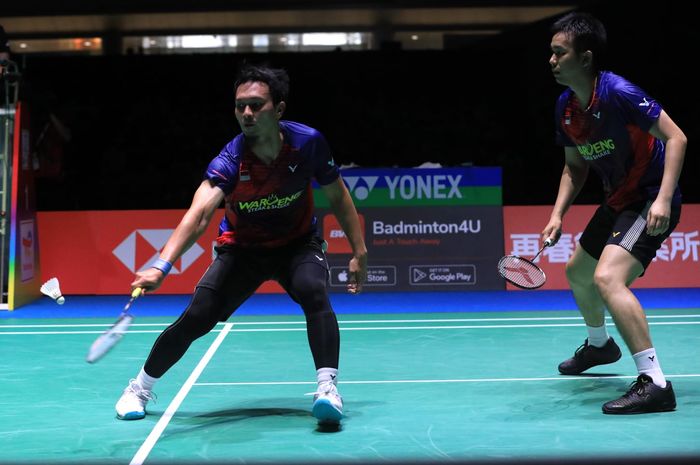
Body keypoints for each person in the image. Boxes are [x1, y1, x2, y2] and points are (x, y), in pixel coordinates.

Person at [115, 63, 368, 425]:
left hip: (296, 244)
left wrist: (359, 251)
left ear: (278, 109)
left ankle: (328, 389)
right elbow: (200, 213)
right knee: (198, 317)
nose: (246, 113)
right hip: (242, 250)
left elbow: (338, 195)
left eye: (256, 105)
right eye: (239, 106)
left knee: (314, 291)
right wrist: (162, 264)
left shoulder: (307, 143)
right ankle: (138, 388)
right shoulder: (232, 159)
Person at [542, 12, 686, 414]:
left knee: (608, 277)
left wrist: (662, 198)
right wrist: (557, 215)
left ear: (585, 58)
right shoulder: (566, 108)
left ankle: (655, 381)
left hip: (648, 198)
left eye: (559, 53)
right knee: (577, 273)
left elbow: (676, 137)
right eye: (551, 54)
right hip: (618, 200)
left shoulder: (619, 93)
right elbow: (575, 166)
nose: (551, 61)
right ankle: (601, 346)